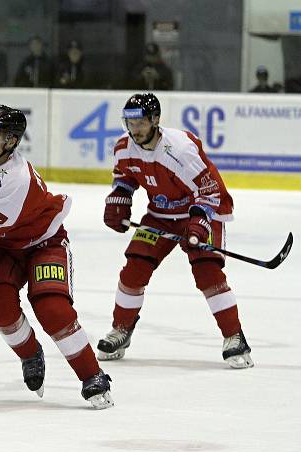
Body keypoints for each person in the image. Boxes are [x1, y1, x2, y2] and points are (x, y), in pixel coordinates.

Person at [0, 105, 113, 409]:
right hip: (1, 244)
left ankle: (91, 374)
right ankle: (29, 352)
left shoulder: (16, 179)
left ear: (12, 141)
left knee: (52, 308)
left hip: (43, 242)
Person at [98, 93, 253, 370]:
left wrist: (198, 222)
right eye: (129, 123)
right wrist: (119, 200)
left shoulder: (179, 149)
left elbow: (209, 190)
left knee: (207, 271)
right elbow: (125, 176)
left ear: (155, 120)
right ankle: (121, 329)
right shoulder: (124, 147)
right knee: (135, 268)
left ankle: (234, 336)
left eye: (141, 123)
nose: (134, 130)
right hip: (160, 216)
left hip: (203, 209)